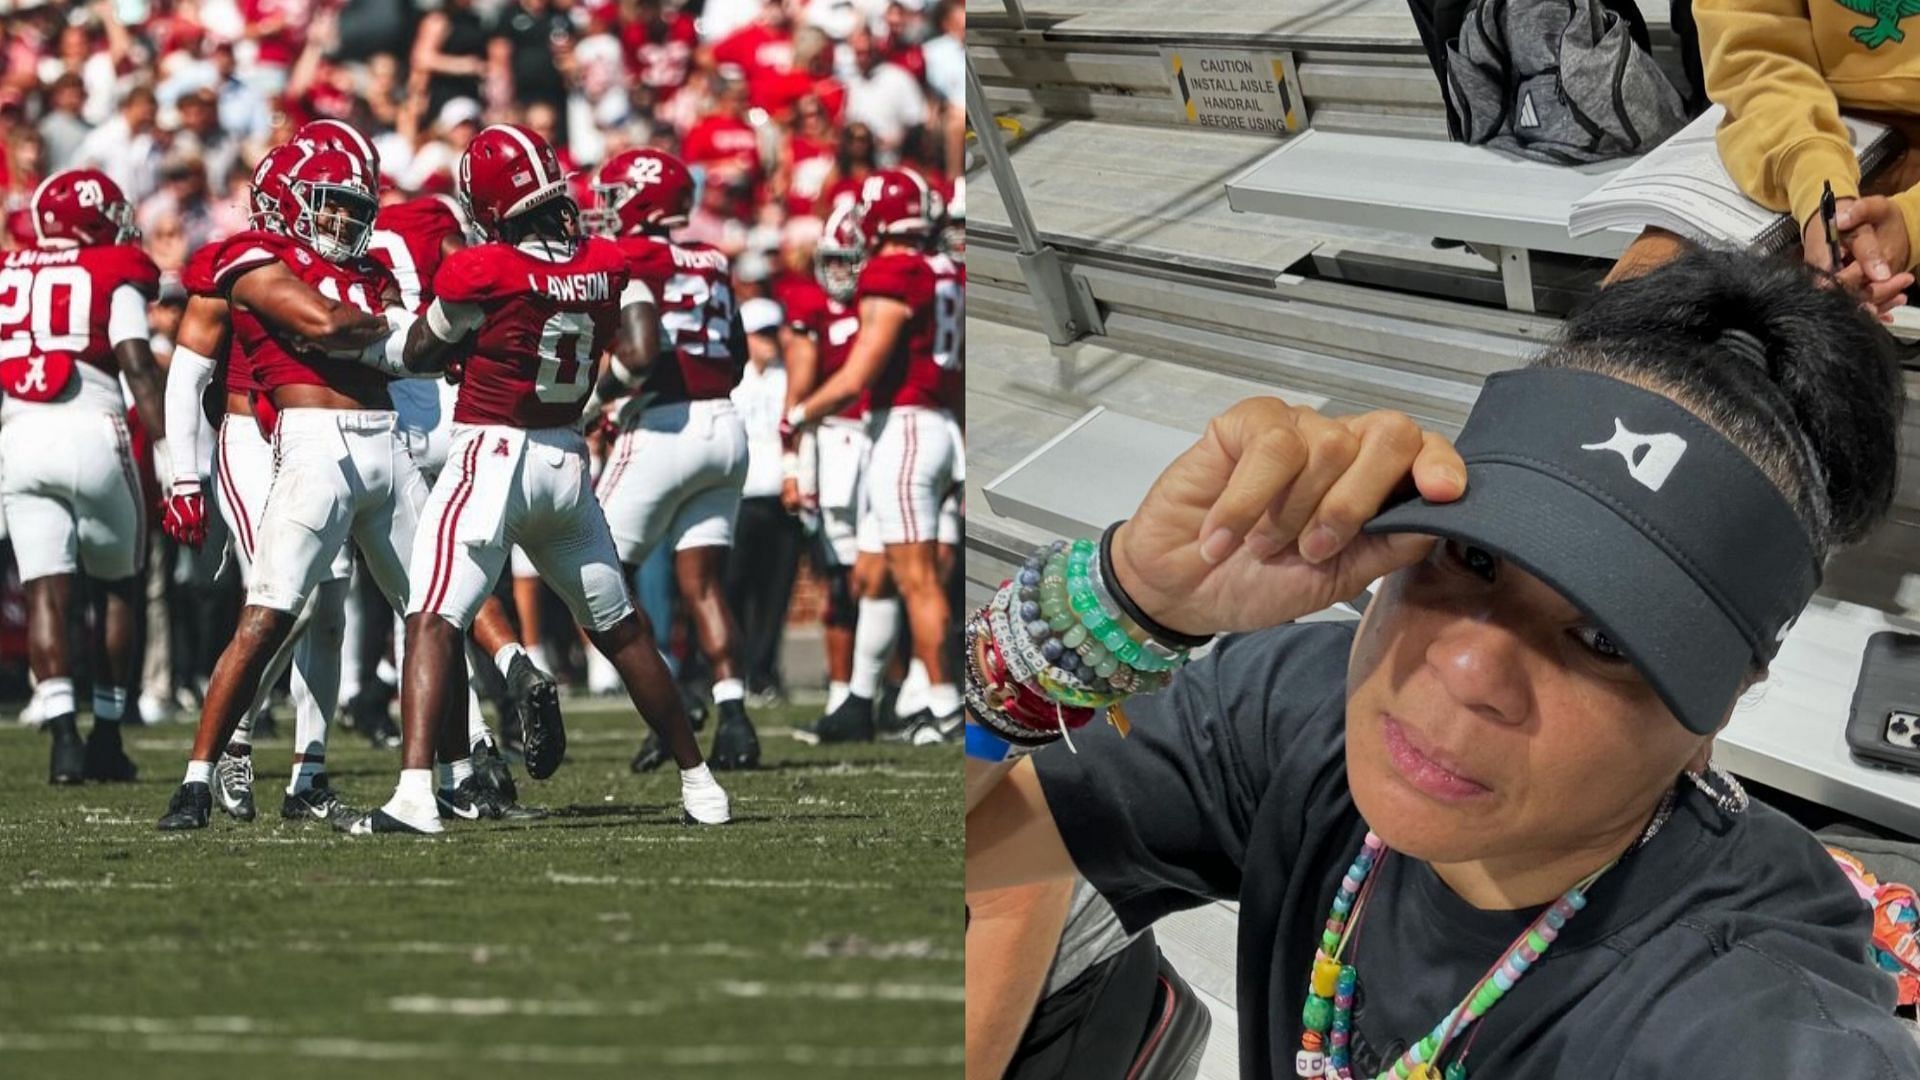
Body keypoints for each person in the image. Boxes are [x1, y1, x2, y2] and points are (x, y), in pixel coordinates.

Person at [966, 249, 1920, 1076]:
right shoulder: (1298, 715)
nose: (1468, 672)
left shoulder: (1737, 1012)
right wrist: (1116, 604)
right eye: (1472, 559)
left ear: (1726, 698)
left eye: (1605, 641)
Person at [348, 123, 728, 835]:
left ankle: (413, 794)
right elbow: (638, 343)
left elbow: (425, 351)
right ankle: (702, 784)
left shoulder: (481, 269)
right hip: (565, 459)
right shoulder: (611, 263)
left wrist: (373, 340)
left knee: (431, 617)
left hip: (490, 456)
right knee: (620, 630)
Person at [156, 146, 452, 831]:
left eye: (354, 203)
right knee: (277, 602)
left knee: (364, 604)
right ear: (287, 196)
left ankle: (320, 771)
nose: (346, 217)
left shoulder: (363, 271)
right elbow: (192, 373)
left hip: (365, 439)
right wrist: (183, 474)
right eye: (332, 200)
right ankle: (221, 751)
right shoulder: (246, 260)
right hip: (261, 436)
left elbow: (400, 352)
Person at [585, 146, 762, 773]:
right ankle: (734, 714)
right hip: (724, 423)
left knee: (588, 574)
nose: (602, 212)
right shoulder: (712, 259)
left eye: (612, 197)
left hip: (662, 424)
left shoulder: (628, 257)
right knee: (704, 584)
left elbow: (635, 349)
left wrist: (594, 406)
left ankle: (670, 705)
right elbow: (736, 355)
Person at [1, 169, 165, 784]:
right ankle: (108, 736)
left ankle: (63, 740)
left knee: (47, 589)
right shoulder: (111, 268)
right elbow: (137, 366)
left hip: (19, 433)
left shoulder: (9, 268)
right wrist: (177, 463)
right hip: (91, 425)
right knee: (120, 586)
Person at [789, 168, 964, 745]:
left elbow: (859, 373)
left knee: (917, 578)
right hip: (925, 425)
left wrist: (800, 412)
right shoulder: (946, 268)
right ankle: (859, 703)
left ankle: (942, 705)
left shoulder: (896, 271)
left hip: (907, 428)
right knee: (873, 574)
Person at [1607, 0, 1920, 316]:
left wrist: (1912, 223)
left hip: (1831, 157)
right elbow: (1753, 57)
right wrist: (1815, 182)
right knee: (1633, 317)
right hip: (1793, 132)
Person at [726, 296, 802, 699]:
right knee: (733, 587)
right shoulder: (732, 379)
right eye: (763, 333)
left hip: (779, 498)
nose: (771, 340)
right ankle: (733, 668)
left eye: (775, 332)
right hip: (741, 496)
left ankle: (763, 671)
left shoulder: (789, 375)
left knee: (776, 594)